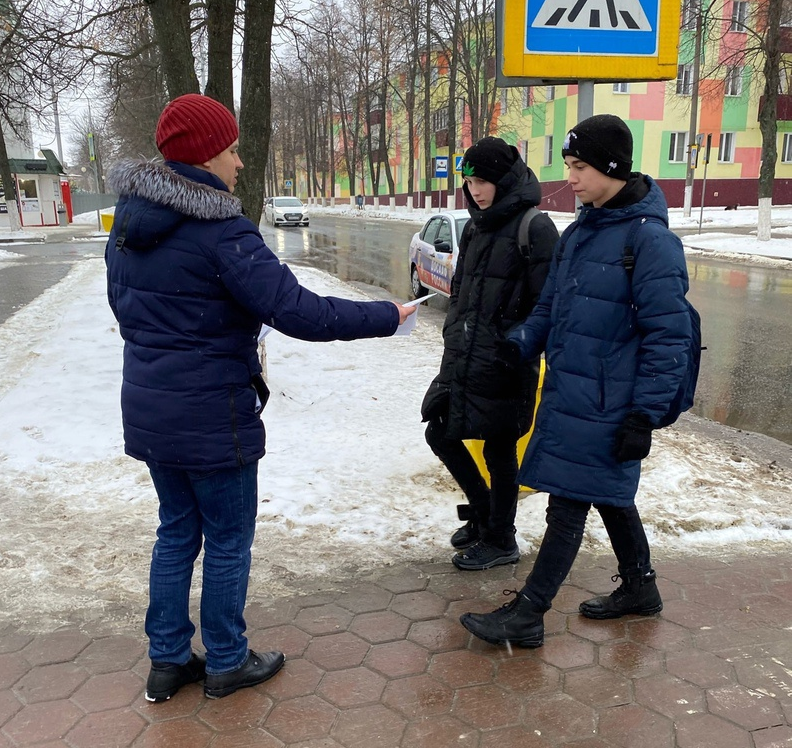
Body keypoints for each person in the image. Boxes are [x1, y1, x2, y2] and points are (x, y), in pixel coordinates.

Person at [105, 93, 415, 702]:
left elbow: (126, 311)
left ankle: (167, 661)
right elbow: (299, 311)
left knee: (175, 532)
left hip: (150, 408)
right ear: (205, 156)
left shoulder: (127, 230)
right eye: (232, 149)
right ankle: (225, 659)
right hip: (213, 415)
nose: (240, 163)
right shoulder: (222, 232)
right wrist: (387, 315)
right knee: (225, 538)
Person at [460, 115, 693, 647]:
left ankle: (529, 613)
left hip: (612, 402)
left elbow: (670, 337)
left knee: (568, 500)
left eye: (581, 167)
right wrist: (519, 345)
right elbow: (551, 307)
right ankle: (640, 587)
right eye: (568, 166)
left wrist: (644, 415)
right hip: (573, 393)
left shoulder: (650, 241)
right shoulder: (581, 231)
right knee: (609, 494)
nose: (572, 178)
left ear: (613, 167)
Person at [421, 136, 558, 571]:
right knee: (439, 431)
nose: (475, 190)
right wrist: (452, 333)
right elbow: (461, 292)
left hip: (505, 362)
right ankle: (483, 512)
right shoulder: (475, 225)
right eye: (469, 181)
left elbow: (546, 306)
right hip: (464, 355)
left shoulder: (535, 228)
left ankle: (501, 538)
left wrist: (511, 346)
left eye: (483, 180)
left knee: (500, 452)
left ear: (504, 178)